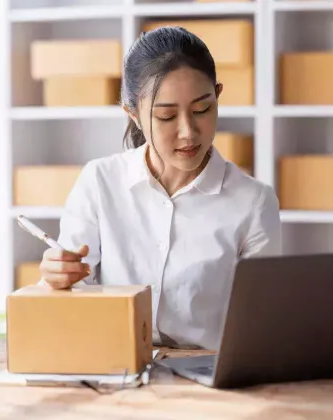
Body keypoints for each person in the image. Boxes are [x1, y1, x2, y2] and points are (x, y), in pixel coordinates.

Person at [38, 26, 282, 350]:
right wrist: (55, 278)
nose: (188, 132)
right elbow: (72, 303)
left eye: (202, 109)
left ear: (218, 96)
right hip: (114, 367)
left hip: (208, 381)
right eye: (166, 116)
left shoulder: (253, 203)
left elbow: (262, 326)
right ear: (134, 115)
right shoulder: (100, 182)